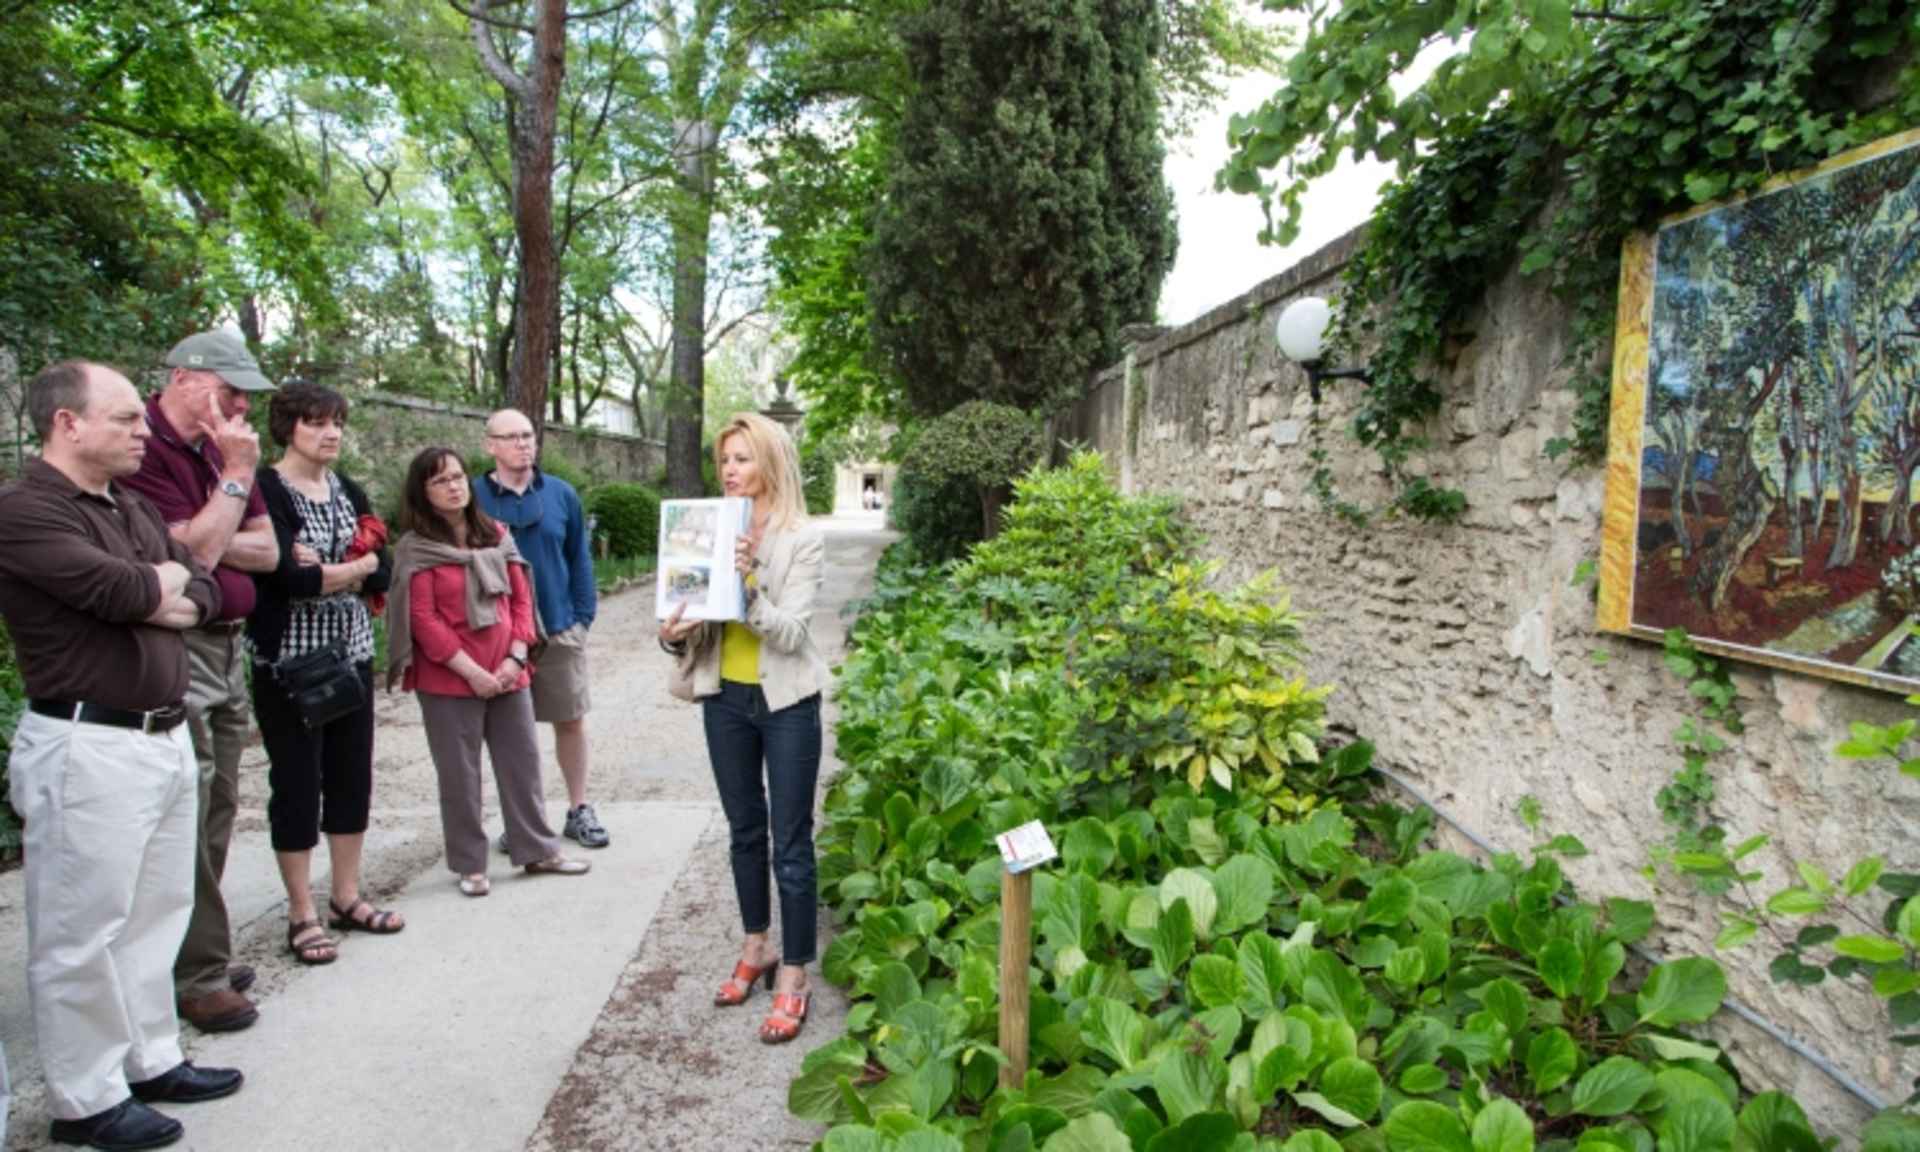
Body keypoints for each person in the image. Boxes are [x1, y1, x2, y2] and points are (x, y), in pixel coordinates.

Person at [0, 361, 245, 1151]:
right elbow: (128, 595)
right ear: (67, 423)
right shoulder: (24, 513)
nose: (144, 432)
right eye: (125, 420)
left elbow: (203, 589)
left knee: (155, 912)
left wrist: (164, 584)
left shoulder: (133, 506)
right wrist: (159, 588)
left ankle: (150, 1056)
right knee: (83, 929)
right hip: (86, 745)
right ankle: (86, 1097)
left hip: (162, 736)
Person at [121, 328, 279, 1035]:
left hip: (225, 643)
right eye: (232, 388)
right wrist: (235, 482)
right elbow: (196, 551)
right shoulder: (141, 448)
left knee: (217, 802)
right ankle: (194, 973)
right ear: (185, 377)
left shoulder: (218, 447)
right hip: (173, 645)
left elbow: (266, 551)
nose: (241, 404)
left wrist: (209, 527)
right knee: (187, 798)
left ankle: (193, 951)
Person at [659, 412, 827, 1045]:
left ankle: (794, 971)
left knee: (791, 839)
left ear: (771, 463)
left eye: (742, 458)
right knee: (743, 832)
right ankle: (755, 945)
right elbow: (691, 620)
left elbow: (792, 633)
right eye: (724, 459)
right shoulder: (703, 527)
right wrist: (670, 631)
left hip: (786, 702)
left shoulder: (800, 537)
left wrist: (747, 579)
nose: (729, 470)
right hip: (724, 697)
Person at [386, 448, 590, 896]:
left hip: (507, 671)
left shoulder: (496, 534)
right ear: (422, 491)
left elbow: (521, 599)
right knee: (459, 775)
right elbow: (422, 618)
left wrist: (515, 657)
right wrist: (470, 671)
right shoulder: (415, 547)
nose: (454, 486)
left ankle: (539, 849)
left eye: (458, 476)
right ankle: (470, 864)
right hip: (449, 678)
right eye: (441, 481)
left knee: (522, 766)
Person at [249, 382, 402, 966]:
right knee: (295, 783)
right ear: (289, 427)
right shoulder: (266, 491)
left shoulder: (347, 487)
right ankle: (300, 911)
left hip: (351, 656)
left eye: (337, 422)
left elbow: (382, 568)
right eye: (316, 423)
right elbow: (290, 578)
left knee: (350, 778)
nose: (331, 433)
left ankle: (345, 896)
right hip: (289, 664)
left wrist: (345, 566)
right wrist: (343, 568)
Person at [473, 409, 608, 849]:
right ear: (490, 444)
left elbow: (579, 560)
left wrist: (581, 618)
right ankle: (523, 821)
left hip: (557, 627)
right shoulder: (472, 498)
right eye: (510, 437)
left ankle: (579, 808)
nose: (522, 444)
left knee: (570, 720)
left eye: (528, 435)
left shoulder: (561, 495)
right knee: (512, 732)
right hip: (497, 635)